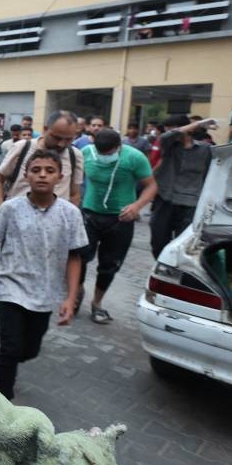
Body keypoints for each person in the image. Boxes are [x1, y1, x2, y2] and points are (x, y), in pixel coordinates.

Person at [0, 149, 87, 400]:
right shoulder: (10, 209)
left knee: (30, 349)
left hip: (46, 292)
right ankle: (3, 398)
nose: (42, 175)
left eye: (49, 171)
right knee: (10, 347)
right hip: (11, 287)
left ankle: (12, 364)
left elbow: (75, 256)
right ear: (26, 176)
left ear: (60, 177)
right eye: (36, 170)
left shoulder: (70, 214)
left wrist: (70, 298)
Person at [79, 128, 157, 323]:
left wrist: (137, 206)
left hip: (120, 219)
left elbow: (152, 185)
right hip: (89, 214)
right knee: (78, 258)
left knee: (109, 265)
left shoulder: (135, 157)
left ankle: (97, 304)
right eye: (101, 152)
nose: (104, 156)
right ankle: (76, 292)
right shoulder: (86, 153)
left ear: (118, 147)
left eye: (109, 153)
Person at [149, 115, 215, 258]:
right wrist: (198, 124)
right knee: (158, 242)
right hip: (165, 200)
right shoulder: (168, 146)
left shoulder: (206, 150)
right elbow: (166, 137)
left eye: (175, 130)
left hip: (191, 204)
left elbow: (210, 175)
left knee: (183, 245)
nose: (173, 134)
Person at [0, 111, 83, 209]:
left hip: (55, 222)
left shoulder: (75, 155)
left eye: (68, 139)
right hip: (17, 219)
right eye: (56, 138)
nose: (61, 144)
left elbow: (75, 194)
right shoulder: (22, 148)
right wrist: (1, 211)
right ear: (45, 129)